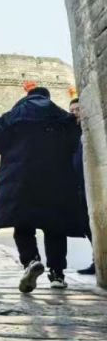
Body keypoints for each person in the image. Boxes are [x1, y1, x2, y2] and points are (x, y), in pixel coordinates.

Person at [0, 87, 85, 292]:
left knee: (23, 223)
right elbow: (73, 144)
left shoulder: (10, 117)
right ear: (47, 98)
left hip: (20, 179)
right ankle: (57, 275)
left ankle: (31, 261)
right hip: (55, 179)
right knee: (55, 227)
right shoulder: (61, 116)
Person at [70, 98, 96, 275]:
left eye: (77, 109)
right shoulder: (71, 135)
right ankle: (97, 259)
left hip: (92, 186)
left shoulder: (91, 130)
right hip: (80, 189)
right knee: (88, 226)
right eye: (71, 111)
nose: (74, 113)